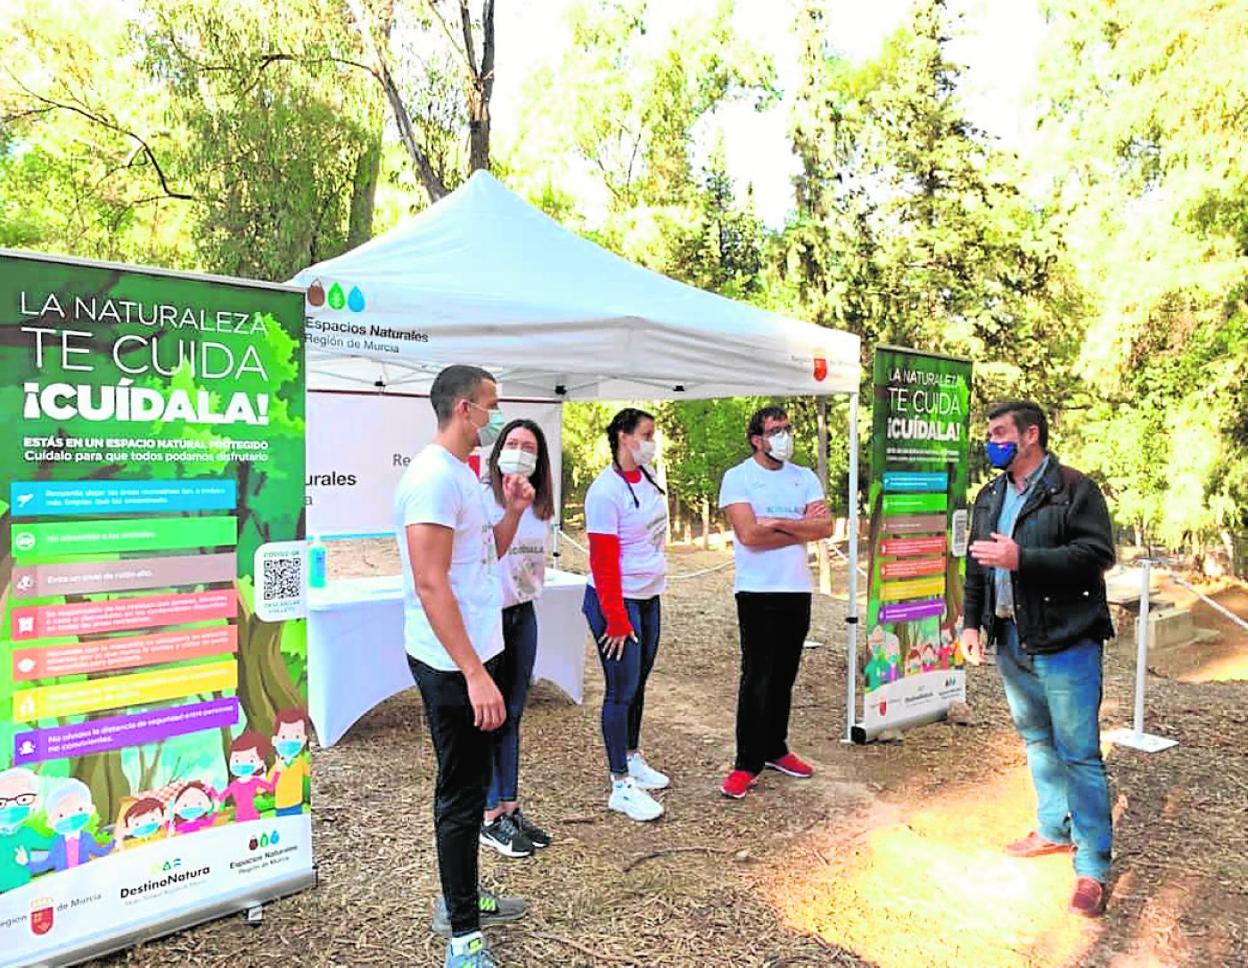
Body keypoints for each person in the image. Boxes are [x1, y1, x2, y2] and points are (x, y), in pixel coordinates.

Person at [397, 365, 532, 968]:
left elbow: (485, 557)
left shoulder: (465, 475)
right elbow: (430, 585)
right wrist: (474, 673)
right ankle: (462, 939)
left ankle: (465, 900)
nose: (495, 417)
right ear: (462, 409)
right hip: (453, 662)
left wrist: (513, 511)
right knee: (459, 794)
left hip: (479, 650)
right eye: (490, 406)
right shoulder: (430, 478)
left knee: (474, 788)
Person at [961, 400, 1116, 918]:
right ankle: (1053, 828)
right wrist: (970, 624)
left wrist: (1023, 559)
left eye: (999, 432)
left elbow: (1096, 557)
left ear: (1030, 436)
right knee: (1037, 742)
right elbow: (977, 566)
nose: (991, 441)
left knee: (1079, 754)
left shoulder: (1074, 489)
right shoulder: (990, 495)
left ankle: (1091, 865)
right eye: (988, 433)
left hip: (1067, 641)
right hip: (1011, 640)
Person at [717, 405, 832, 799]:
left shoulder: (804, 477)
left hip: (796, 589)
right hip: (757, 591)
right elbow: (748, 535)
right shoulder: (738, 478)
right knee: (758, 676)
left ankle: (775, 748)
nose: (784, 436)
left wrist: (778, 523)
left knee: (785, 674)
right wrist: (801, 528)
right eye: (775, 430)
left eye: (787, 428)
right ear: (757, 440)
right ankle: (746, 762)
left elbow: (826, 526)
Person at [582, 407, 669, 822]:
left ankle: (632, 755)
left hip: (649, 596)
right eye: (646, 434)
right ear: (623, 436)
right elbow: (602, 560)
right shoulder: (605, 491)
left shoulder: (650, 478)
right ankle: (620, 783)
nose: (652, 442)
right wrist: (616, 618)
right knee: (620, 689)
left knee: (638, 683)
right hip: (617, 601)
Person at [478, 419, 556, 859]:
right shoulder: (479, 495)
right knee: (489, 718)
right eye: (513, 443)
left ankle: (509, 806)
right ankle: (488, 815)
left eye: (530, 446)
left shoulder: (540, 504)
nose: (521, 451)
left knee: (512, 713)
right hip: (488, 618)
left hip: (524, 615)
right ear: (498, 450)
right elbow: (483, 554)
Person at [31, 778, 113, 873]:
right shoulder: (57, 842)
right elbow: (48, 863)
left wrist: (115, 841)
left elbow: (99, 852)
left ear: (91, 810)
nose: (70, 819)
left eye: (80, 809)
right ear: (50, 823)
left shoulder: (86, 838)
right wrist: (25, 864)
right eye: (61, 815)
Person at [0, 767, 51, 893]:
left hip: (22, 890)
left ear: (35, 802)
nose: (11, 806)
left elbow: (50, 844)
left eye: (22, 799)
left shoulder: (27, 833)